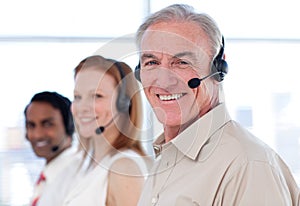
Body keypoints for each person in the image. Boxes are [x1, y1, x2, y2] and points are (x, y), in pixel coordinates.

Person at [134, 4, 300, 206]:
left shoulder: (247, 165)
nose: (164, 81)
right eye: (151, 63)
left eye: (182, 63)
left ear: (219, 68)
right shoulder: (166, 160)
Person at [62, 55, 151, 206]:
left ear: (123, 104)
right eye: (77, 97)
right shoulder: (90, 165)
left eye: (97, 96)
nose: (82, 107)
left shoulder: (124, 169)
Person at [24, 91, 80, 206]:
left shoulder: (78, 178)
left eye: (48, 124)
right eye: (31, 125)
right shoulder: (50, 176)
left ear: (69, 125)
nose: (37, 134)